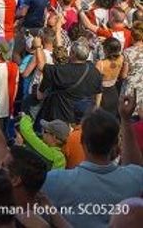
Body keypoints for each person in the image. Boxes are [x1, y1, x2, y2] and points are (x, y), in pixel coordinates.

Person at [41, 98, 143, 228]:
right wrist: (125, 119)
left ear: (82, 143)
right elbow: (135, 167)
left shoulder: (54, 181)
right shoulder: (134, 179)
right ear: (115, 146)